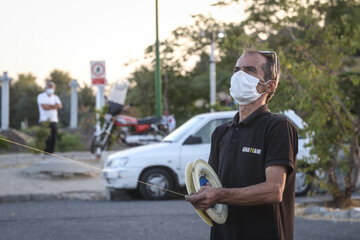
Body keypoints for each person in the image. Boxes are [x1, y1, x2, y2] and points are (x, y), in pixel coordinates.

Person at [186, 49, 298, 240]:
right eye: (236, 69)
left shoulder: (278, 126)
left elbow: (274, 190)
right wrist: (202, 196)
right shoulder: (221, 132)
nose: (239, 75)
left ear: (269, 86)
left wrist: (218, 195)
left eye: (250, 70)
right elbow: (212, 185)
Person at [37, 82, 63, 154]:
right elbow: (44, 107)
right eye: (49, 87)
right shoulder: (41, 96)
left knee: (53, 137)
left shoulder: (55, 97)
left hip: (54, 119)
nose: (50, 89)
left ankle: (51, 152)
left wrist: (50, 106)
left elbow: (60, 106)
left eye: (52, 88)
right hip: (44, 120)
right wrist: (54, 106)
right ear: (46, 88)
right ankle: (45, 151)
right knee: (47, 136)